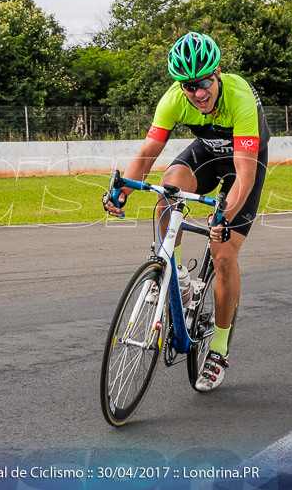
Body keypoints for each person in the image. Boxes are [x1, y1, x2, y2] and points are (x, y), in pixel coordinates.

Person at [103, 31, 270, 391]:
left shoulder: (239, 97)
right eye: (189, 86)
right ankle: (176, 275)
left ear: (218, 73)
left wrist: (225, 215)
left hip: (244, 162)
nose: (198, 93)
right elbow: (148, 151)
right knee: (167, 190)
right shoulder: (174, 99)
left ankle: (220, 349)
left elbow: (244, 175)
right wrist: (123, 190)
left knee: (223, 254)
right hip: (207, 153)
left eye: (205, 82)